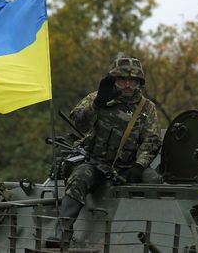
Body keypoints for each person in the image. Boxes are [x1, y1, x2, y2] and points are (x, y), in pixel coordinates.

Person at [46, 54, 162, 248]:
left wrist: (139, 166)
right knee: (78, 179)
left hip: (129, 166)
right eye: (122, 79)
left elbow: (151, 140)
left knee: (156, 183)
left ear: (138, 83)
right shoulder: (98, 98)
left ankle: (157, 235)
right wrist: (97, 104)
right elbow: (79, 123)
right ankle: (62, 232)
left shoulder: (147, 108)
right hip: (95, 163)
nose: (127, 85)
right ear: (114, 80)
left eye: (132, 81)